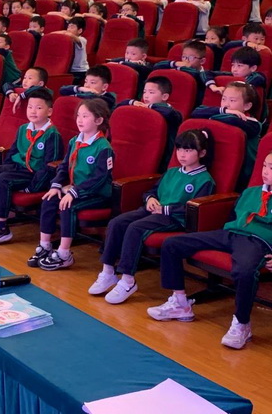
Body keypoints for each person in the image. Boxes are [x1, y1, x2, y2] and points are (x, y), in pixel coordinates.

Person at [148, 150, 272, 349]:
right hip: (230, 233)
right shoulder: (251, 192)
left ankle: (242, 324)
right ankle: (180, 303)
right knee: (173, 244)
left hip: (257, 241)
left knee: (245, 270)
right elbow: (233, 218)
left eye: (271, 168)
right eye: (264, 166)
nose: (264, 171)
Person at [90, 129, 215, 305]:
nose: (182, 155)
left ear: (201, 153)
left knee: (135, 228)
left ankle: (127, 280)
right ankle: (108, 271)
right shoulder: (172, 172)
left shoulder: (205, 180)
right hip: (154, 210)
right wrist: (150, 199)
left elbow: (195, 208)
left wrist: (166, 209)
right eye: (179, 149)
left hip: (174, 218)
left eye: (188, 150)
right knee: (117, 222)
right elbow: (152, 191)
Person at [0, 88, 64, 245]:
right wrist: (6, 167)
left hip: (32, 173)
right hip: (17, 167)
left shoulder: (52, 135)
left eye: (38, 108)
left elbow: (50, 166)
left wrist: (33, 187)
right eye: (30, 107)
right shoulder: (23, 129)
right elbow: (13, 152)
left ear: (49, 111)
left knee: (3, 179)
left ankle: (2, 228)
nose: (33, 111)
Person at [30, 98, 114, 271]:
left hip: (96, 194)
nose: (80, 120)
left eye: (85, 116)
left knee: (67, 205)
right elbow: (64, 166)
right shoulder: (74, 141)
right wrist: (56, 185)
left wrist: (74, 192)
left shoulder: (103, 148)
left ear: (98, 120)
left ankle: (64, 254)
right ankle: (44, 246)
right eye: (78, 116)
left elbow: (99, 179)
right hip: (75, 189)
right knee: (49, 199)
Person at [190, 81, 261, 186]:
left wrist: (213, 116)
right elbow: (196, 112)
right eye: (223, 99)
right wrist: (225, 111)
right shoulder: (225, 112)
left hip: (242, 175)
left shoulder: (253, 124)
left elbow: (231, 120)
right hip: (217, 164)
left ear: (247, 106)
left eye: (232, 100)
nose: (226, 104)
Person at [115, 76, 182, 166]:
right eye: (144, 92)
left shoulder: (172, 113)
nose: (146, 96)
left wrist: (149, 106)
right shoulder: (143, 108)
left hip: (162, 156)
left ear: (164, 96)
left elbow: (170, 113)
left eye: (151, 92)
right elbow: (118, 107)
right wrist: (132, 102)